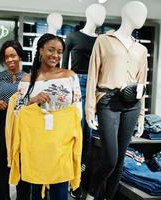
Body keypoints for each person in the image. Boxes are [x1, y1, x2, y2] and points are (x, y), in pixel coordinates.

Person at [85, 1, 148, 200]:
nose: (143, 16)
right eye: (140, 12)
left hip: (132, 104)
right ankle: (92, 191)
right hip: (108, 100)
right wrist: (89, 109)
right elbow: (93, 76)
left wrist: (141, 116)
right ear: (126, 13)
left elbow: (142, 84)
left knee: (120, 160)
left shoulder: (141, 49)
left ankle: (107, 197)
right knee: (110, 159)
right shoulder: (103, 40)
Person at [9, 33, 82, 200]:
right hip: (36, 145)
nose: (55, 55)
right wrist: (32, 100)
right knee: (37, 191)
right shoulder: (27, 80)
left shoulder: (70, 76)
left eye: (59, 51)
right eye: (51, 50)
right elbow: (16, 112)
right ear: (40, 50)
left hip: (61, 143)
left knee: (60, 189)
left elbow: (77, 111)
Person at [62, 4, 106, 199]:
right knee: (73, 131)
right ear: (89, 14)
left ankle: (78, 179)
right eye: (99, 12)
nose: (103, 16)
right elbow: (64, 67)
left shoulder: (102, 40)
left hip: (96, 85)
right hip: (75, 83)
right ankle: (68, 177)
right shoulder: (72, 36)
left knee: (89, 134)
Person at [0, 40, 30, 200]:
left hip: (21, 124)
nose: (9, 60)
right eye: (6, 57)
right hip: (0, 122)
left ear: (20, 56)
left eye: (13, 55)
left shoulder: (28, 78)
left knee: (22, 162)